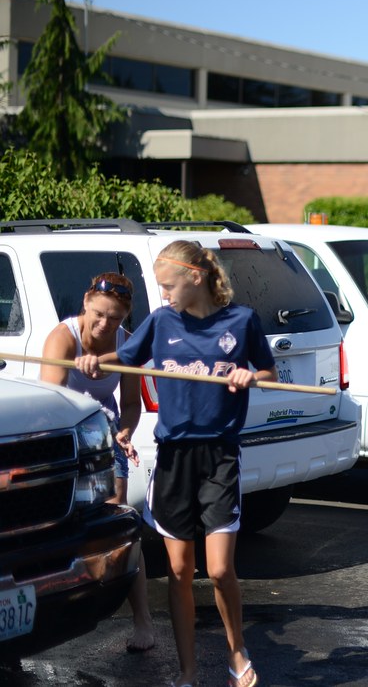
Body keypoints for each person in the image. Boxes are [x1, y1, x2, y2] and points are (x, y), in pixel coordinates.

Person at [76, 242, 276, 687]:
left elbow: (269, 371)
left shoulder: (241, 321)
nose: (162, 294)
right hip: (173, 459)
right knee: (181, 571)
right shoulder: (162, 321)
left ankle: (236, 649)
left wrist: (250, 376)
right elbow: (125, 359)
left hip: (219, 455)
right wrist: (94, 360)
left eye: (168, 285)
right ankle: (187, 675)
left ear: (196, 277)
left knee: (221, 569)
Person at [40, 272, 156, 653]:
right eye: (100, 314)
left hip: (106, 440)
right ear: (86, 303)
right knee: (57, 532)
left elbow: (131, 405)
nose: (105, 324)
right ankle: (48, 618)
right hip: (66, 443)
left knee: (121, 528)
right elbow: (53, 405)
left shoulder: (126, 344)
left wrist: (125, 432)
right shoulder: (63, 338)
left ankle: (143, 622)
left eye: (116, 318)